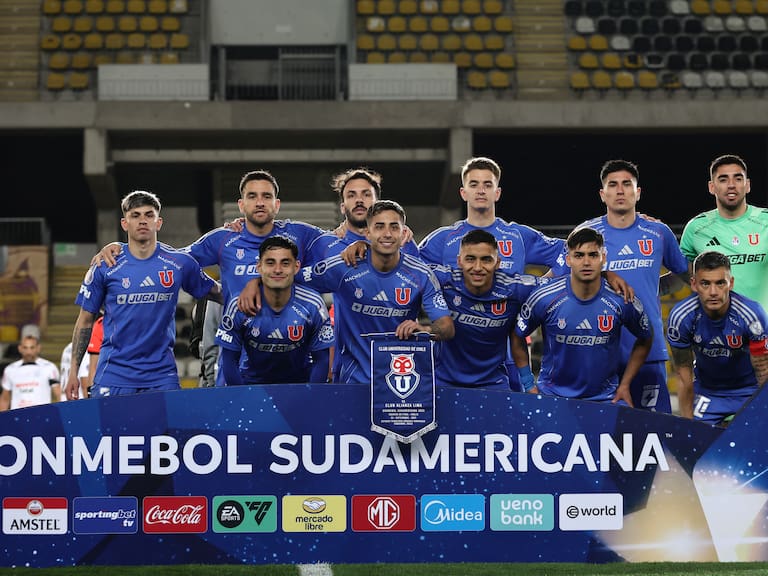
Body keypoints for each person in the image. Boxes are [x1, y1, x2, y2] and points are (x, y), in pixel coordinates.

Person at [97, 170, 327, 386]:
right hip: (237, 361)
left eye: (266, 196)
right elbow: (171, 260)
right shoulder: (223, 239)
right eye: (252, 196)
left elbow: (339, 243)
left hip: (294, 359)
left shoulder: (299, 234)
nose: (259, 202)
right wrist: (123, 247)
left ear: (277, 204)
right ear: (241, 204)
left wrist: (356, 242)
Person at [240, 200, 455, 385]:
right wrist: (254, 281)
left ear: (403, 232)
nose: (387, 233)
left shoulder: (421, 274)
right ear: (368, 232)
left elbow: (446, 328)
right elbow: (288, 274)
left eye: (394, 227)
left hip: (400, 379)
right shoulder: (344, 266)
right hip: (352, 380)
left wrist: (423, 328)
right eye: (379, 227)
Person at [67, 190, 221, 399]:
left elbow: (218, 293)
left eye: (149, 215)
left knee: (168, 433)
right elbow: (85, 321)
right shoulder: (105, 266)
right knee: (109, 432)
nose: (142, 221)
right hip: (113, 375)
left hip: (161, 375)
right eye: (135, 215)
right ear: (124, 223)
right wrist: (73, 372)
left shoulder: (179, 263)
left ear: (158, 223)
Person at [574, 159, 690, 412]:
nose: (620, 190)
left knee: (657, 436)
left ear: (637, 193)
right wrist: (604, 274)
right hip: (599, 349)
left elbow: (684, 275)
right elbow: (563, 280)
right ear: (602, 195)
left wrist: (653, 288)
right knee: (599, 437)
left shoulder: (658, 232)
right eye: (612, 185)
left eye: (627, 184)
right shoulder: (585, 234)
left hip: (648, 348)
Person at [512, 227, 653, 404]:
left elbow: (646, 337)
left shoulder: (621, 299)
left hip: (606, 399)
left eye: (593, 255)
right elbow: (517, 336)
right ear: (568, 259)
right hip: (553, 398)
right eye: (579, 256)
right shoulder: (544, 297)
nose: (586, 262)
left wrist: (625, 384)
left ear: (604, 258)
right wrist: (527, 383)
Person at [432, 229, 549, 389]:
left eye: (486, 260)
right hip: (442, 382)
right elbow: (406, 269)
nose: (478, 267)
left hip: (493, 384)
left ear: (498, 262)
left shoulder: (515, 288)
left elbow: (562, 288)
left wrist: (528, 383)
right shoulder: (443, 280)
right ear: (459, 261)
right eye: (470, 259)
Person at [666, 251, 768, 424]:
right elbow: (683, 374)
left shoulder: (752, 315)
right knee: (694, 446)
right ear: (694, 284)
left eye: (720, 283)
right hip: (707, 393)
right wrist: (688, 425)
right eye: (705, 283)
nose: (713, 292)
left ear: (731, 283)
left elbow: (764, 372)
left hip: (749, 391)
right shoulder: (681, 317)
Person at [216, 236, 334, 385]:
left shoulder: (313, 304)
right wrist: (243, 397)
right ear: (259, 267)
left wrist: (309, 395)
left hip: (299, 386)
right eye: (270, 263)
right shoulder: (240, 305)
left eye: (285, 263)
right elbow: (229, 361)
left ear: (296, 267)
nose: (277, 270)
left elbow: (321, 360)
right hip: (252, 386)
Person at [680, 154, 768, 311]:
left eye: (738, 178)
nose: (731, 185)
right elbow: (680, 275)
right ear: (711, 187)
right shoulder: (696, 229)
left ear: (747, 185)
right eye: (723, 179)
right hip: (717, 332)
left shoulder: (765, 222)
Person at [1, 333, 60, 410]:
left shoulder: (49, 367)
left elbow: (58, 394)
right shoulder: (10, 369)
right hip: (17, 415)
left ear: (38, 348)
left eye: (32, 348)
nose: (28, 352)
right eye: (25, 348)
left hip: (41, 414)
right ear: (20, 348)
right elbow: (5, 399)